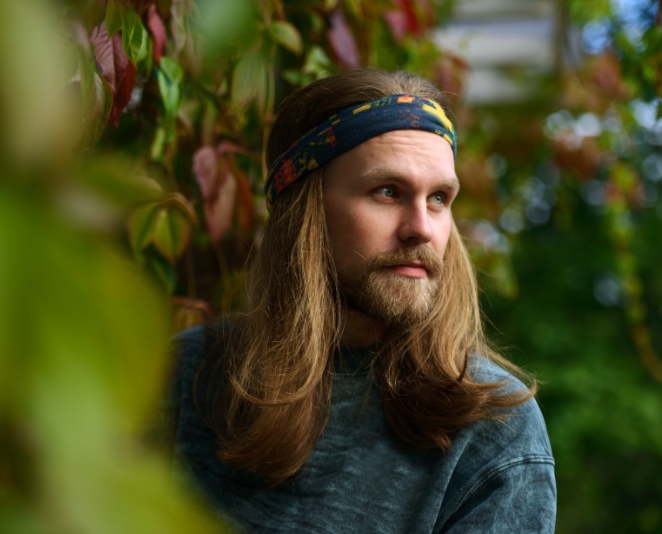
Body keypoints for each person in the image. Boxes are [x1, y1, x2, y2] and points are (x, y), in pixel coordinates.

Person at [170, 68, 556, 533]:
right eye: (388, 192)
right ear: (304, 210)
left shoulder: (493, 430)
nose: (422, 227)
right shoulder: (183, 377)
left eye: (438, 198)